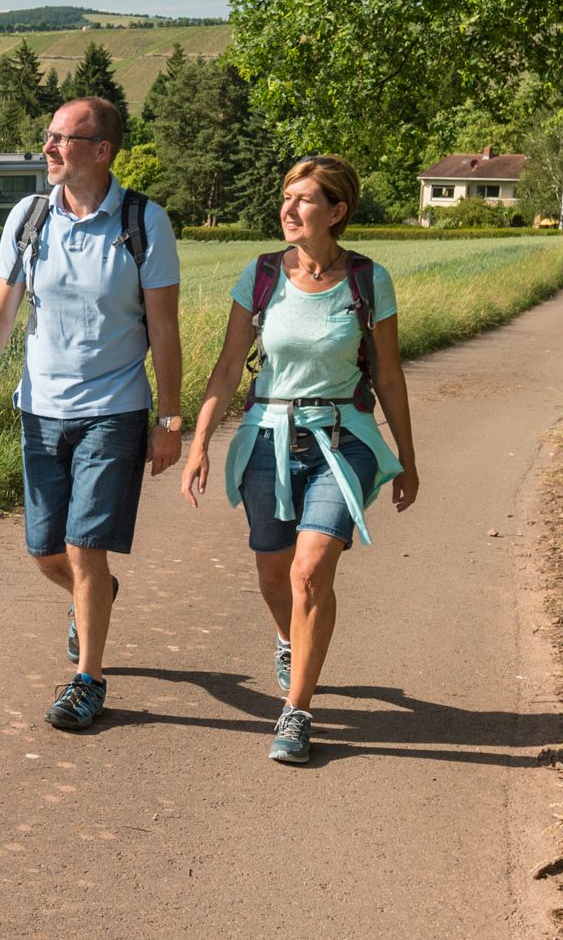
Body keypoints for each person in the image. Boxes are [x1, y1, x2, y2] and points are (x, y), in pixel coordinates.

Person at [179, 154, 420, 765]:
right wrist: (199, 442)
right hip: (267, 436)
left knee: (310, 571)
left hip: (343, 438)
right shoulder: (261, 275)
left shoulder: (370, 280)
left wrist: (408, 458)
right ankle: (289, 638)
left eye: (304, 199)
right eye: (286, 197)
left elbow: (389, 376)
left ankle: (297, 710)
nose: (288, 209)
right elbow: (229, 367)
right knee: (272, 570)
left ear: (336, 212)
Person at [0, 95, 183, 732]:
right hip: (40, 408)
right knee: (44, 551)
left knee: (85, 547)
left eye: (63, 139)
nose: (49, 149)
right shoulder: (29, 218)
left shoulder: (143, 222)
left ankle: (89, 679)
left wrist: (170, 421)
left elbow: (164, 330)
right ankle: (96, 597)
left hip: (114, 410)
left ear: (102, 151)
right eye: (48, 137)